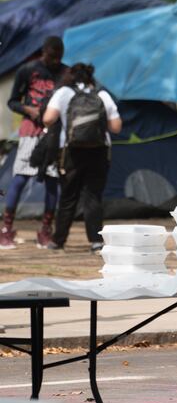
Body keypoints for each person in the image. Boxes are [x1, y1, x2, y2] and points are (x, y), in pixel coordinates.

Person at [42, 63, 122, 252]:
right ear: (90, 77)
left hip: (70, 151)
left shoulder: (63, 93)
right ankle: (96, 241)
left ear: (70, 76)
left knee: (68, 196)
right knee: (93, 196)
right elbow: (116, 127)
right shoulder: (102, 95)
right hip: (99, 151)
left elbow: (48, 119)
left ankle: (58, 241)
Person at [2, 36, 66, 249]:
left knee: (51, 180)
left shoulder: (65, 73)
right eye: (51, 57)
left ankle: (45, 231)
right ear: (43, 52)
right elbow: (12, 101)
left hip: (54, 134)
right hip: (30, 131)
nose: (55, 61)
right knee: (20, 177)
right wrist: (28, 109)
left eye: (58, 57)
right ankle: (6, 228)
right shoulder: (28, 70)